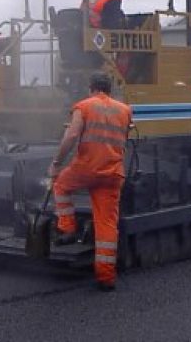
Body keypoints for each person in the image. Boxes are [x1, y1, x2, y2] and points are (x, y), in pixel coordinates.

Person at [48, 72, 132, 291]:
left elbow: (72, 135)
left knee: (61, 185)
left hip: (86, 168)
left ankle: (67, 228)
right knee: (107, 224)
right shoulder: (125, 110)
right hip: (113, 173)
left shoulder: (83, 106)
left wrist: (56, 163)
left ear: (91, 88)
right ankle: (106, 278)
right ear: (109, 89)